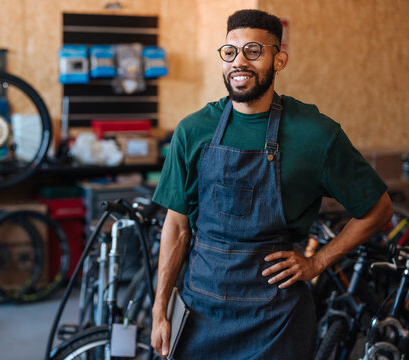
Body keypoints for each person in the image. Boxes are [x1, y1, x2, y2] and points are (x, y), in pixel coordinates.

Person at [150, 9, 393, 360]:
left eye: (253, 51)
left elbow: (378, 209)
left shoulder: (315, 135)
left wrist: (317, 262)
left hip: (275, 320)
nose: (239, 62)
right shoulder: (193, 131)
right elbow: (176, 226)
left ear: (279, 60)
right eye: (230, 52)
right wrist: (160, 310)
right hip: (200, 310)